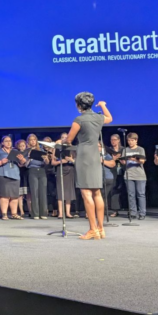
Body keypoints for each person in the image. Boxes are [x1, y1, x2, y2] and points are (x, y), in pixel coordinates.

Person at [66, 92, 113, 240]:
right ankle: (100, 229)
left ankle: (92, 229)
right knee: (97, 193)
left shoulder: (79, 120)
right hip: (95, 155)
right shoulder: (99, 118)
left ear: (79, 105)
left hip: (84, 156)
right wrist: (104, 106)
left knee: (86, 193)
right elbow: (110, 118)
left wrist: (61, 143)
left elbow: (69, 140)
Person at [0, 135, 25, 219]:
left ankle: (14, 213)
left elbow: (22, 164)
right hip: (3, 174)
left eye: (10, 141)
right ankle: (4, 214)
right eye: (6, 141)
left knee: (14, 196)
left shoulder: (15, 151)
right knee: (5, 195)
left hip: (15, 174)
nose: (8, 142)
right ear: (2, 143)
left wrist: (22, 159)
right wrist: (1, 161)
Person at [121, 132, 147, 220]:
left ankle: (142, 213)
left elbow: (142, 161)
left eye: (132, 140)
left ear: (136, 140)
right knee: (131, 194)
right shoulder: (125, 150)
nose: (130, 142)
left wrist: (134, 159)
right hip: (128, 175)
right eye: (128, 140)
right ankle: (133, 212)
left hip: (140, 175)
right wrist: (122, 161)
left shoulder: (140, 149)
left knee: (141, 194)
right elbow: (124, 162)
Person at [51, 132, 77, 219]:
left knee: (69, 192)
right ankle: (61, 213)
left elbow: (77, 162)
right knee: (60, 191)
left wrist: (71, 160)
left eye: (66, 137)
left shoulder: (73, 148)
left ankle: (68, 212)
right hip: (60, 170)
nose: (65, 139)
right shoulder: (57, 148)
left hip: (70, 170)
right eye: (63, 137)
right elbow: (53, 162)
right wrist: (61, 161)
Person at [25, 134, 49, 220]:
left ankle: (43, 213)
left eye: (34, 140)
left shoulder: (41, 150)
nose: (32, 141)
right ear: (28, 141)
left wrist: (46, 159)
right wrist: (29, 159)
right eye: (31, 140)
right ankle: (35, 213)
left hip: (42, 171)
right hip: (32, 171)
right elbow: (25, 165)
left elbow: (46, 163)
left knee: (43, 192)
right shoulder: (27, 151)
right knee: (34, 192)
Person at [106, 134, 124, 217]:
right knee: (114, 190)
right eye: (111, 140)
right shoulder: (108, 150)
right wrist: (114, 159)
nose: (113, 141)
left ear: (119, 140)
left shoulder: (123, 149)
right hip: (112, 171)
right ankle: (115, 210)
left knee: (123, 189)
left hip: (123, 171)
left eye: (115, 139)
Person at [99, 142, 116, 221]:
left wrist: (102, 161)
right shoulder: (91, 156)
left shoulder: (106, 156)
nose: (97, 148)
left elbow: (113, 164)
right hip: (96, 178)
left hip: (107, 178)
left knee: (103, 196)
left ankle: (101, 212)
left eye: (99, 146)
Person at [15, 139, 30, 217]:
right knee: (20, 194)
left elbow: (28, 163)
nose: (22, 147)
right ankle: (21, 211)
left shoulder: (28, 153)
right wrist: (22, 162)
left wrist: (25, 162)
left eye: (23, 145)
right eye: (20, 146)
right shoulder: (16, 154)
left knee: (28, 194)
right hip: (20, 174)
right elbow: (19, 164)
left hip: (27, 173)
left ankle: (30, 210)